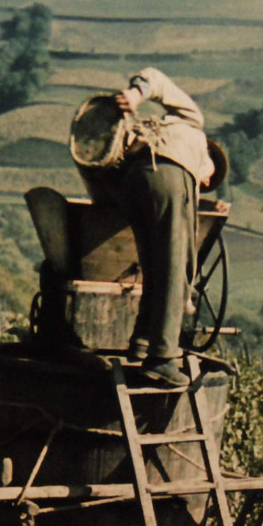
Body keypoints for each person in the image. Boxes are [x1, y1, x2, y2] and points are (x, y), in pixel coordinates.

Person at [74, 67, 226, 387]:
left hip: (128, 182)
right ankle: (162, 357)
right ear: (207, 152)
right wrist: (136, 93)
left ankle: (143, 341)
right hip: (165, 171)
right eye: (212, 174)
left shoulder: (164, 147)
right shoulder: (192, 126)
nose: (209, 180)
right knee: (178, 264)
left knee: (154, 266)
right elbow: (156, 77)